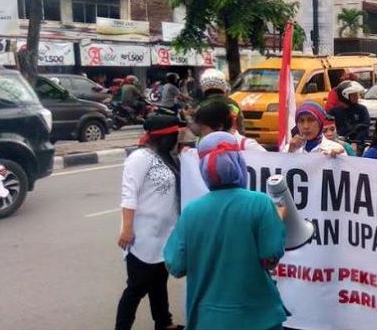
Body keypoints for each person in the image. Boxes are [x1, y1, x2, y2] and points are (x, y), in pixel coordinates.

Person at [163, 132, 287, 329]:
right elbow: (270, 258)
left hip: (206, 319)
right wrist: (277, 221)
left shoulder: (191, 212)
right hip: (257, 317)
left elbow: (175, 266)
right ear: (238, 162)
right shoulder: (260, 203)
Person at [115, 116, 183, 330]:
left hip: (164, 233)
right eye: (175, 135)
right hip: (143, 234)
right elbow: (129, 194)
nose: (178, 139)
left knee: (159, 281)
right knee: (136, 287)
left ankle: (163, 322)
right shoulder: (140, 158)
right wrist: (127, 228)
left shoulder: (167, 157)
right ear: (165, 137)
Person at [328, 80, 370, 145]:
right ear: (344, 96)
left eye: (357, 94)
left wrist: (356, 142)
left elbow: (364, 128)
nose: (356, 97)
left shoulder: (361, 110)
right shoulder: (334, 112)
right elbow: (329, 128)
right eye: (353, 95)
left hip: (357, 144)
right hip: (337, 143)